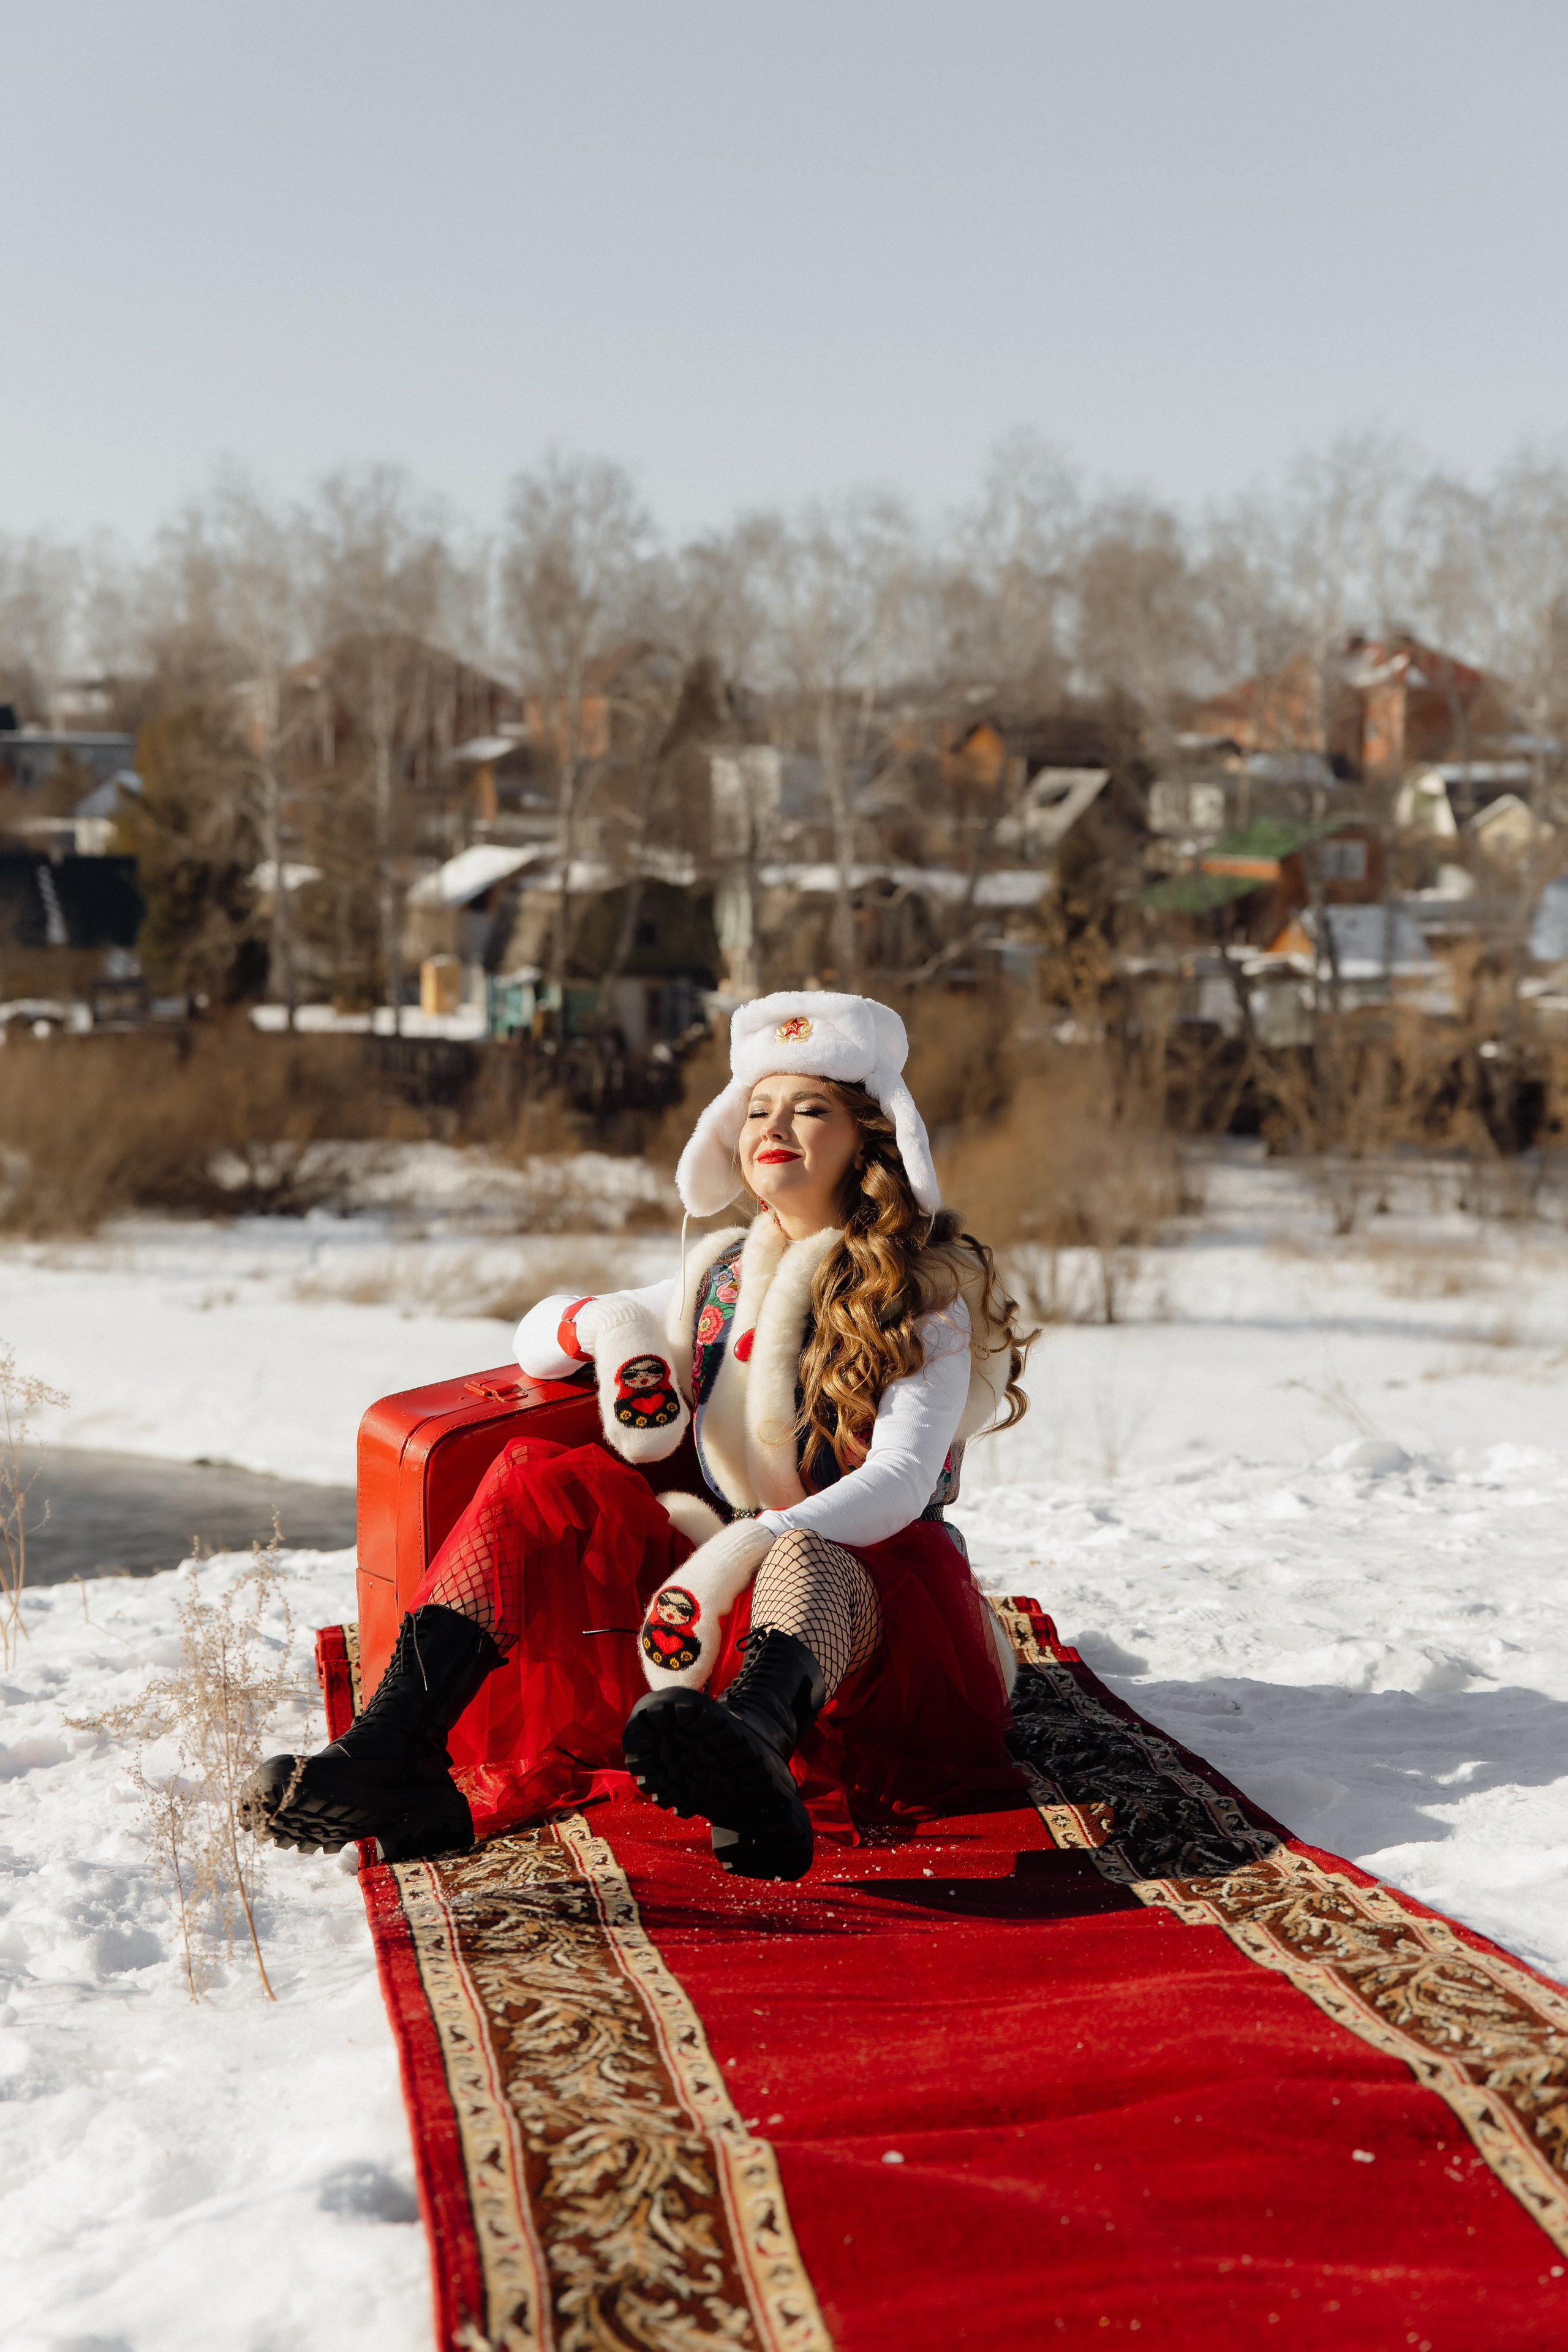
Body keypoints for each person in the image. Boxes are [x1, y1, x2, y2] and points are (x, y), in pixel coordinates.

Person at [243, 991, 1031, 1881]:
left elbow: (902, 1477)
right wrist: (612, 1329)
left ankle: (753, 1753)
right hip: (717, 1591)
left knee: (804, 1554)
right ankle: (393, 1750)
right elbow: (537, 1335)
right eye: (758, 1110)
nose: (776, 1128)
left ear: (869, 1139)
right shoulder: (722, 1272)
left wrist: (753, 1545)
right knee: (534, 1477)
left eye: (811, 1109)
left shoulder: (929, 1292)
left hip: (874, 1616)